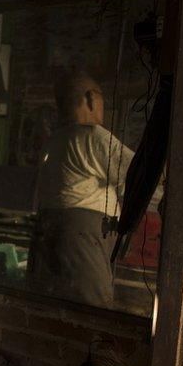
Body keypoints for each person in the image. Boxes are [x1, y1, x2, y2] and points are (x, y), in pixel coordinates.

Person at [31, 71, 135, 308]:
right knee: (93, 309)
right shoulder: (92, 137)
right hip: (81, 239)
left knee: (54, 308)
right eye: (101, 100)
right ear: (90, 99)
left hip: (49, 232)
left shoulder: (55, 140)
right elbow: (138, 172)